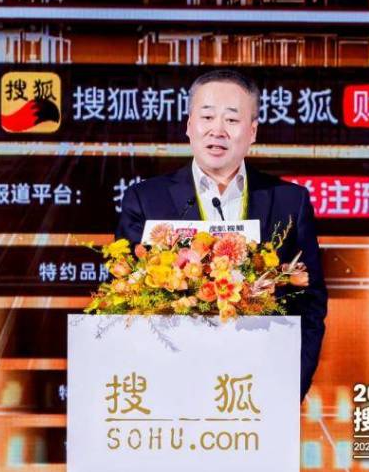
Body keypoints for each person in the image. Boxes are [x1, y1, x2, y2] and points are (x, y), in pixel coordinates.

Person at [116, 69, 327, 401]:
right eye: (207, 117)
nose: (217, 130)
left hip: (257, 391)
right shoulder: (145, 200)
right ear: (189, 125)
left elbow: (310, 305)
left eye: (231, 119)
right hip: (170, 393)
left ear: (252, 131)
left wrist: (289, 390)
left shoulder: (289, 201)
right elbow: (123, 302)